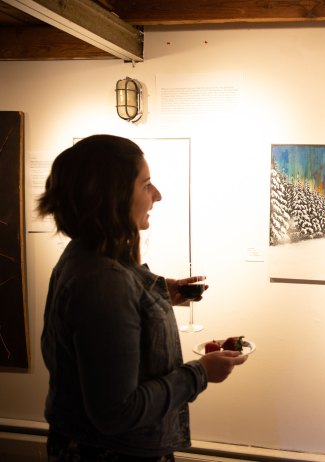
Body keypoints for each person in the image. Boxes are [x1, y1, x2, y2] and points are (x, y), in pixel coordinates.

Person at [38, 135, 248, 461]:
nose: (157, 195)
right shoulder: (103, 282)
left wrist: (160, 294)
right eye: (145, 184)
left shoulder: (84, 256)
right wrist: (201, 372)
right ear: (113, 197)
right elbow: (117, 412)